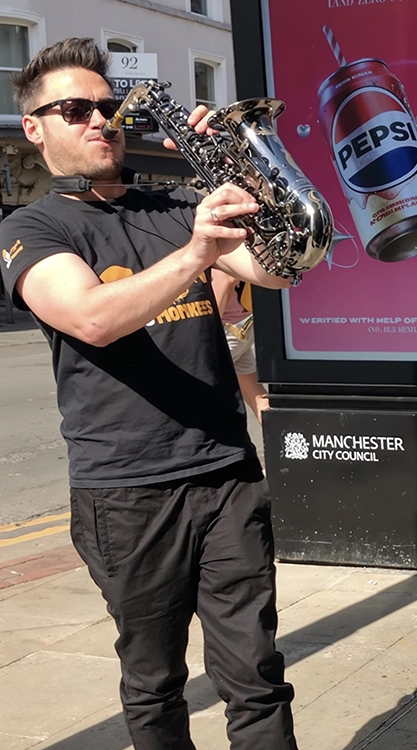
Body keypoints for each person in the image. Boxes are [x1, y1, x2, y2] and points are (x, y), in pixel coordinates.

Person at [0, 38, 299, 748]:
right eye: (76, 110)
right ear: (36, 128)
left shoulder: (177, 204)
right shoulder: (32, 227)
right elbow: (92, 319)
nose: (101, 121)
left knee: (256, 672)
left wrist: (248, 171)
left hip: (225, 473)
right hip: (125, 493)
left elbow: (280, 271)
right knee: (155, 680)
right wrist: (196, 252)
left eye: (109, 107)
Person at [211, 269, 269, 423]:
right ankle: (285, 439)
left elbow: (225, 278)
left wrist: (206, 331)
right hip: (240, 324)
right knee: (257, 397)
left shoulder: (216, 244)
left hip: (223, 325)